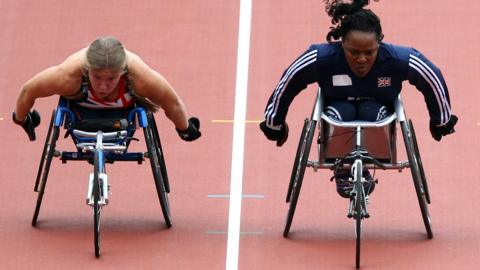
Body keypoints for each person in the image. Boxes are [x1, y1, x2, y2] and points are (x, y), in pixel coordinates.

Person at [259, 0, 458, 198]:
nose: (361, 59)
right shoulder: (321, 58)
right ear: (342, 43)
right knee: (341, 114)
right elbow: (290, 80)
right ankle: (344, 169)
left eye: (369, 52)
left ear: (379, 42)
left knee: (370, 112)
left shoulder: (398, 59)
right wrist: (274, 123)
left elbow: (432, 76)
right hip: (337, 108)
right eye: (353, 52)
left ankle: (365, 162)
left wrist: (441, 119)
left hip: (378, 109)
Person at [13, 36, 201, 141]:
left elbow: (172, 104)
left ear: (123, 71)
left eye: (111, 79)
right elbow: (28, 91)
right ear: (87, 70)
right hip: (80, 111)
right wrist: (22, 119)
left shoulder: (141, 78)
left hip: (123, 112)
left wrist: (185, 129)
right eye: (97, 77)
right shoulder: (68, 76)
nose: (103, 85)